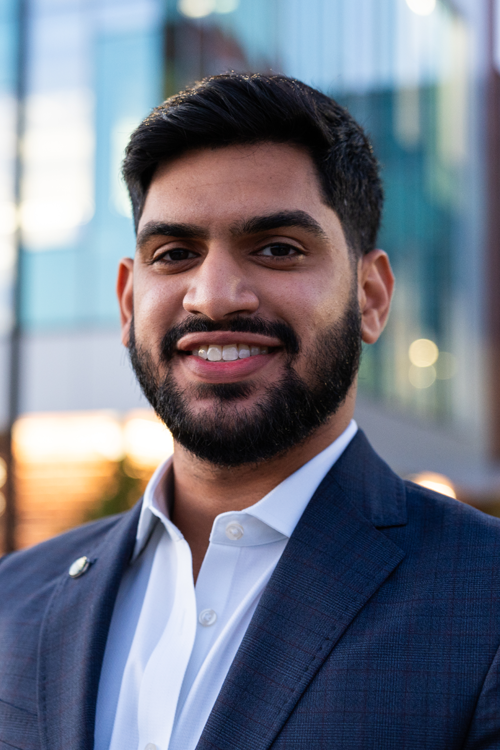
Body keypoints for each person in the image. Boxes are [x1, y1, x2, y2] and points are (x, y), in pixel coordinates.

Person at [1, 73, 499, 750]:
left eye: (277, 249)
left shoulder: (484, 599)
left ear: (372, 296)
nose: (214, 297)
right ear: (127, 302)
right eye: (174, 254)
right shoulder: (15, 597)